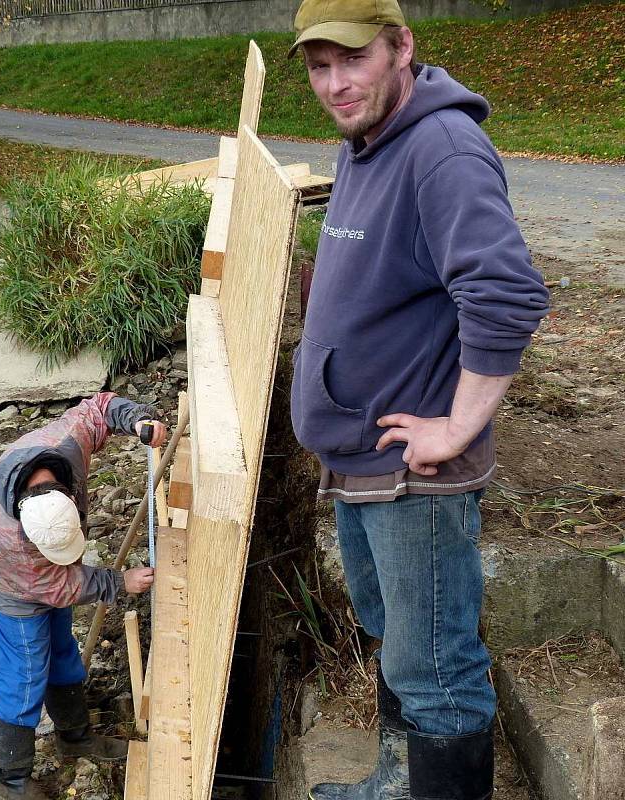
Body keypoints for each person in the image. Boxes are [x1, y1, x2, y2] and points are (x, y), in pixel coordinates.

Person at [288, 1, 550, 798]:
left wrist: (462, 422)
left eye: (354, 61)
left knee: (435, 663)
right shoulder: (370, 143)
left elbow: (505, 293)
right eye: (319, 66)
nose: (335, 84)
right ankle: (399, 784)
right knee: (397, 637)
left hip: (412, 475)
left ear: (402, 46)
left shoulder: (441, 148)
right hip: (361, 459)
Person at [0, 393, 166, 800]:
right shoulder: (8, 536)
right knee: (23, 670)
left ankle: (75, 739)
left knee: (61, 648)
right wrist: (117, 582)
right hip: (10, 580)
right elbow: (55, 586)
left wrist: (138, 419)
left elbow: (99, 408)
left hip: (37, 565)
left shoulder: (64, 447)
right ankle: (12, 779)